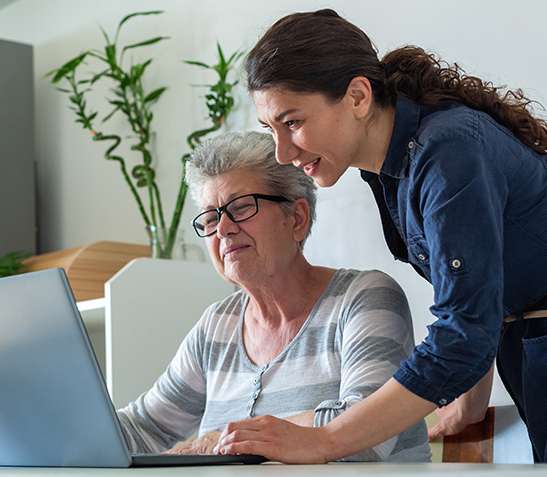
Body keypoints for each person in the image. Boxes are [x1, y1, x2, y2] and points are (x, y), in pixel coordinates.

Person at [214, 9, 547, 463]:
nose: (283, 152)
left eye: (292, 122)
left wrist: (323, 439)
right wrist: (472, 393)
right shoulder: (389, 170)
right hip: (524, 342)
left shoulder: (448, 152)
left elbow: (463, 330)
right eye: (271, 129)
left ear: (357, 96)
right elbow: (474, 289)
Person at [115, 130, 430, 462]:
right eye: (210, 218)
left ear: (296, 218)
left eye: (240, 207)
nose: (222, 229)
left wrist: (222, 439)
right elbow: (144, 428)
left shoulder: (363, 299)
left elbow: (366, 434)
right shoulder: (217, 326)